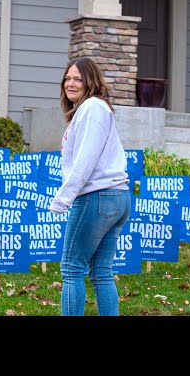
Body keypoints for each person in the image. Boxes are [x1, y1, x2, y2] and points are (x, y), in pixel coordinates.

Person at [49, 57, 131, 316]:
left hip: (97, 197)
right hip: (116, 197)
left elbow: (86, 158)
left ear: (90, 82)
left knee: (72, 269)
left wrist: (64, 197)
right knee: (100, 271)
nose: (70, 83)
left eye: (78, 79)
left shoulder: (92, 108)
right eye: (67, 78)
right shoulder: (93, 109)